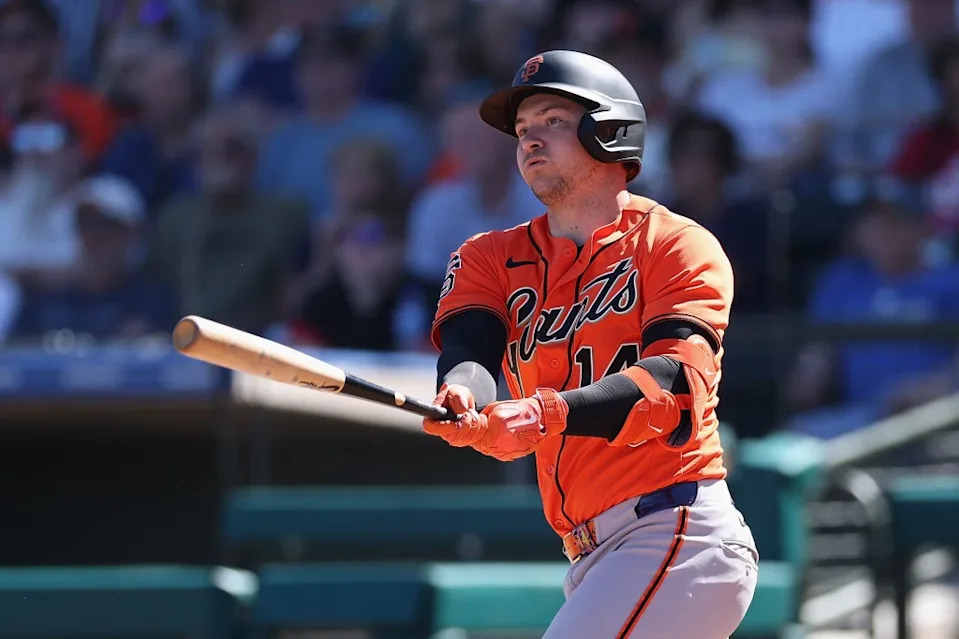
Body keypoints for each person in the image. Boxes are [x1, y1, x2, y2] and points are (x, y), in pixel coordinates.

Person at [421, 50, 758, 638]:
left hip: (675, 531)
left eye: (551, 120)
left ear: (610, 130)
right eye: (522, 129)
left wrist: (542, 414)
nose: (529, 140)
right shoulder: (488, 257)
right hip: (591, 552)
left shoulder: (676, 245)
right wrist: (463, 397)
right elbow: (472, 350)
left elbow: (676, 385)